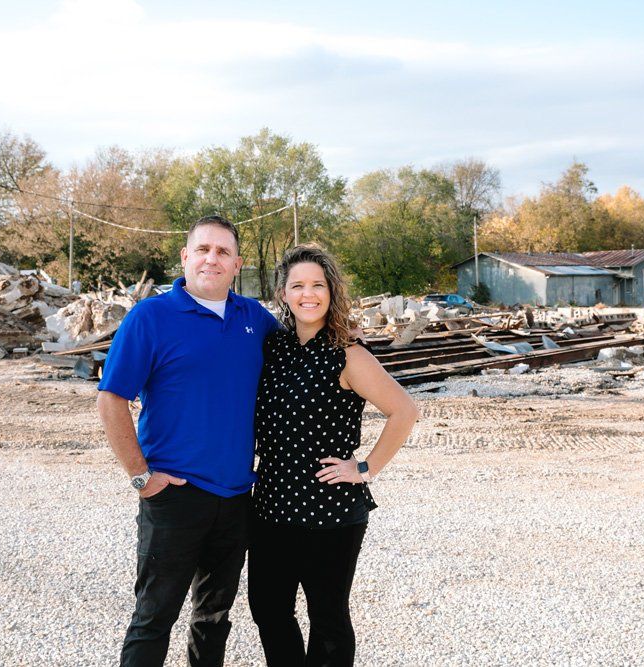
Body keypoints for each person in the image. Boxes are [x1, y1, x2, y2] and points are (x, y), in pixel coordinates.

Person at [97, 215, 279, 667]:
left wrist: (348, 335)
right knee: (153, 617)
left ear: (237, 264)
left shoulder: (255, 319)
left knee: (214, 618)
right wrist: (141, 476)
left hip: (237, 496)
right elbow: (111, 399)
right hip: (173, 495)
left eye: (222, 252)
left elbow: (306, 350)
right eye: (202, 249)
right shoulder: (151, 317)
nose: (211, 259)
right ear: (185, 257)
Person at [247, 244, 419, 667]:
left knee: (326, 618)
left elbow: (405, 411)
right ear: (283, 294)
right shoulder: (274, 347)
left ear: (331, 291)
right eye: (298, 285)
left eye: (318, 285)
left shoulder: (349, 353)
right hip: (270, 506)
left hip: (329, 512)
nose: (309, 294)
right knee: (268, 610)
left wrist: (364, 468)